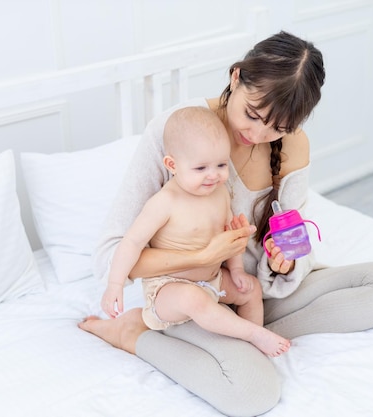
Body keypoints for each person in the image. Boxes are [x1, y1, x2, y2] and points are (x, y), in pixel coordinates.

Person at [80, 31, 373, 417]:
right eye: (252, 114)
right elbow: (110, 255)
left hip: (250, 291)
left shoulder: (294, 145)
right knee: (254, 392)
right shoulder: (179, 131)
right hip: (190, 297)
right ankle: (135, 332)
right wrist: (204, 254)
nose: (256, 135)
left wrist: (285, 262)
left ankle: (249, 334)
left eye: (276, 128)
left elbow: (295, 240)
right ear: (236, 77)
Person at [99, 106, 290, 357]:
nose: (213, 175)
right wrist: (115, 284)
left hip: (212, 281)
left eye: (221, 164)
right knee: (193, 298)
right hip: (168, 289)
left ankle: (251, 349)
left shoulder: (220, 193)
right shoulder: (165, 202)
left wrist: (236, 270)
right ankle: (252, 334)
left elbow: (229, 236)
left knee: (251, 289)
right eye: (201, 169)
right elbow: (132, 242)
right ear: (172, 165)